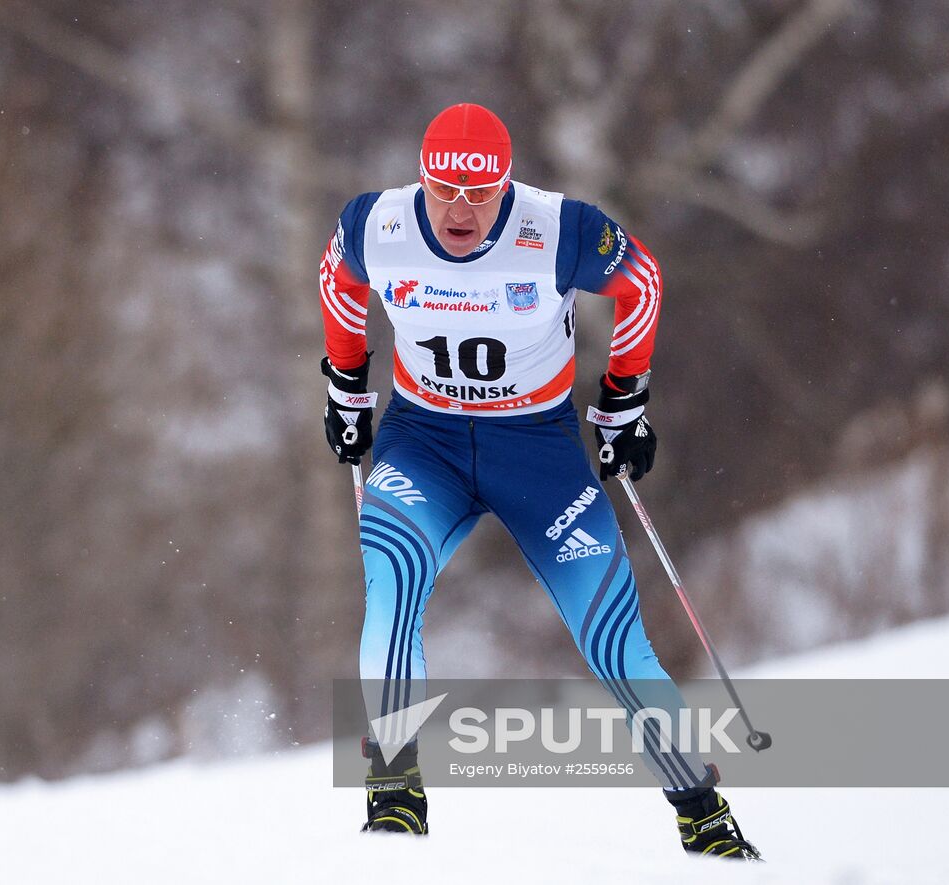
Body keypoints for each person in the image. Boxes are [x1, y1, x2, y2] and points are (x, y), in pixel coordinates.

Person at [317, 103, 760, 858]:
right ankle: (395, 794)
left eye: (480, 193)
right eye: (443, 191)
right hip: (424, 444)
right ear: (421, 179)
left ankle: (701, 810)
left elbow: (642, 283)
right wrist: (347, 390)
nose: (460, 210)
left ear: (506, 184)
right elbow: (336, 284)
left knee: (614, 640)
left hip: (538, 452)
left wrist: (625, 401)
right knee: (390, 586)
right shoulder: (377, 225)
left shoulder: (560, 229)